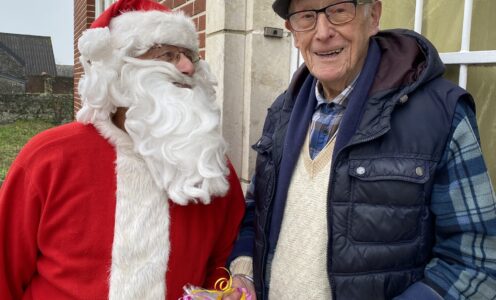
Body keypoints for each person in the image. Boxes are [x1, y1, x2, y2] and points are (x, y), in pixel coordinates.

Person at [226, 0, 496, 299]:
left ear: (373, 16)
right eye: (306, 17)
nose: (323, 32)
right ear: (293, 31)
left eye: (339, 10)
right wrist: (245, 272)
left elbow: (476, 262)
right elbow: (256, 213)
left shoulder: (441, 113)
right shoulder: (281, 111)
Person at [0, 0, 245, 299]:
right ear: (121, 69)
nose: (188, 67)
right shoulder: (49, 158)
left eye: (190, 55)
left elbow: (224, 267)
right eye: (168, 54)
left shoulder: (212, 168)